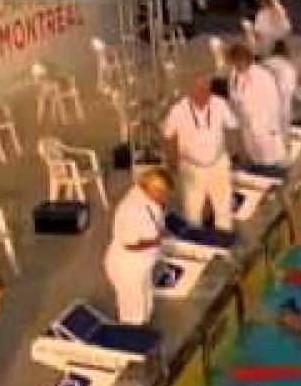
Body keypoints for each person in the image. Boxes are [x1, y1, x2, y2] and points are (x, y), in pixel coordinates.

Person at [163, 76, 239, 232]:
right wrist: (172, 161)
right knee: (192, 211)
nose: (203, 94)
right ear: (190, 91)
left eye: (206, 90)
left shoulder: (219, 103)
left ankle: (222, 244)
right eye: (198, 90)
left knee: (223, 208)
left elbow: (233, 124)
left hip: (218, 166)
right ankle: (196, 247)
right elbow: (168, 134)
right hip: (192, 169)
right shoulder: (178, 109)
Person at [105, 168, 172, 325]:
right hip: (128, 268)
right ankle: (130, 342)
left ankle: (144, 331)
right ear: (151, 189)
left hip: (141, 265)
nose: (165, 198)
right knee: (133, 316)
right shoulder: (132, 210)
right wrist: (157, 241)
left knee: (146, 308)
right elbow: (130, 244)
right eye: (163, 194)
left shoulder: (146, 194)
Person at [228, 43, 289, 170]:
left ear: (245, 60)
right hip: (248, 124)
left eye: (238, 62)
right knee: (255, 155)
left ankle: (275, 173)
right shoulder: (236, 75)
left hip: (265, 124)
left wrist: (272, 125)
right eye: (234, 63)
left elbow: (274, 101)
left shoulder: (262, 76)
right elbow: (237, 98)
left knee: (270, 157)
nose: (236, 66)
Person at [263, 40, 299, 139]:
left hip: (265, 105)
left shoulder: (264, 64)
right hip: (283, 106)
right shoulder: (288, 67)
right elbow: (290, 89)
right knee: (282, 135)